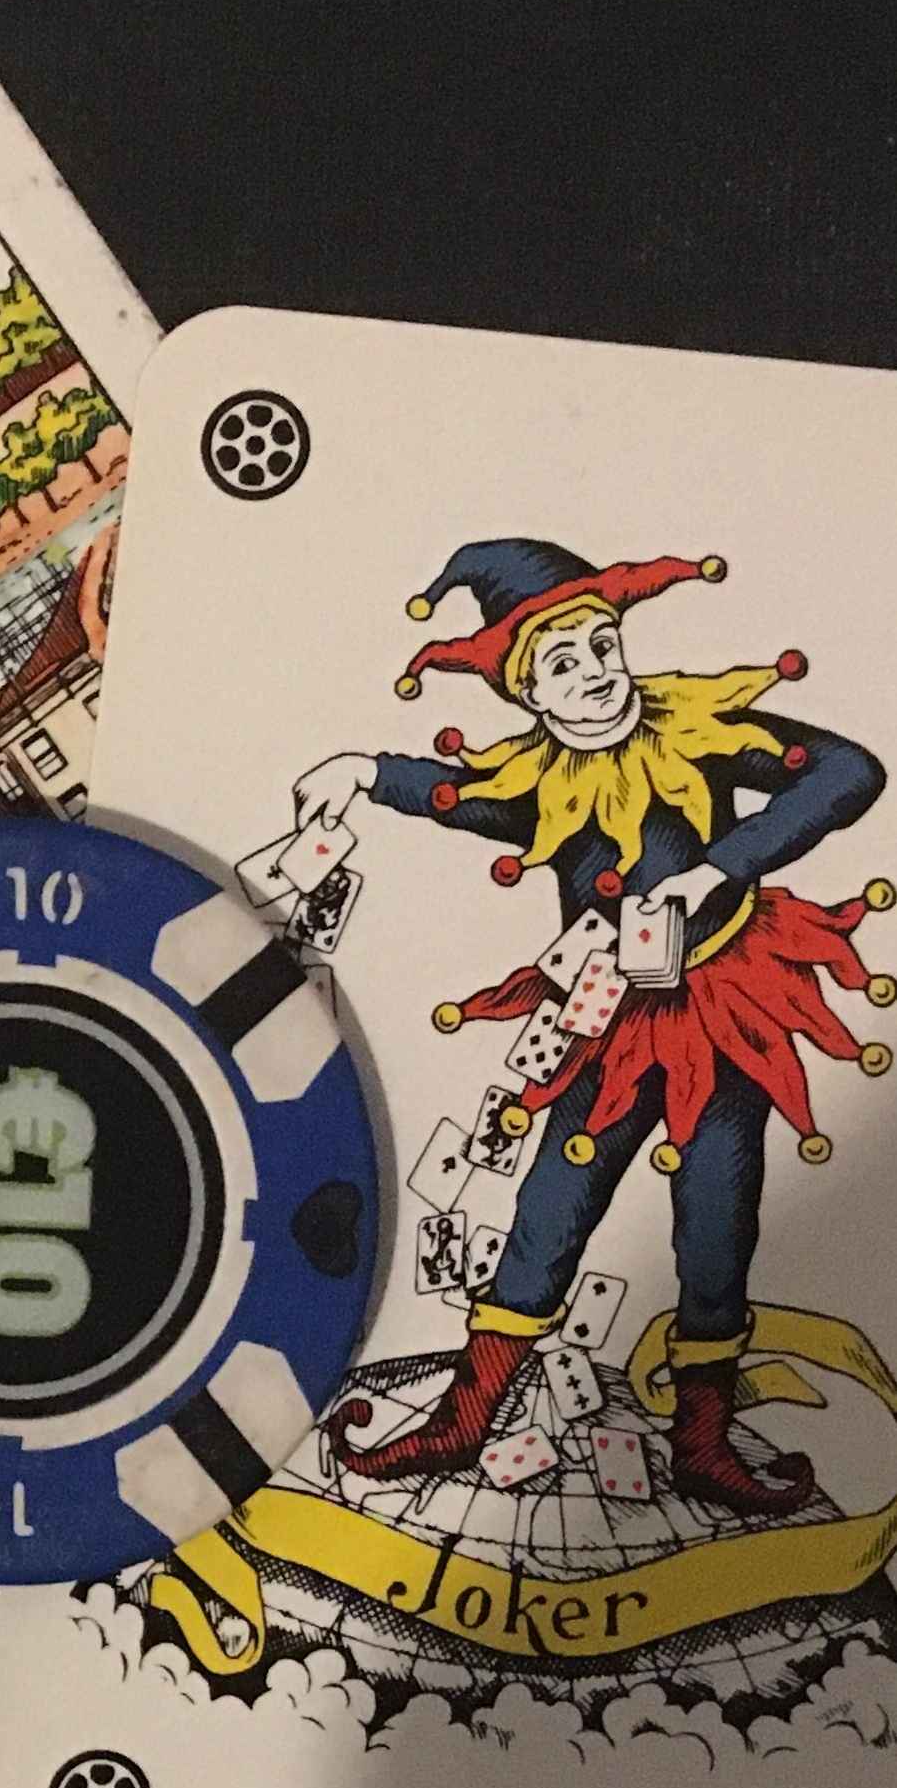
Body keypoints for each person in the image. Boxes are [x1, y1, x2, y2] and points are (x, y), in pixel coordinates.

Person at [292, 539, 884, 1508]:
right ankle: (464, 1422)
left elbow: (847, 769)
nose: (595, 675)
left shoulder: (695, 726)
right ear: (526, 693)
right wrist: (363, 769)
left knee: (717, 1219)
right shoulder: (534, 780)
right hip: (609, 1021)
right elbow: (451, 793)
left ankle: (703, 1440)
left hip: (725, 1007)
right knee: (549, 1209)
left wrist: (720, 866)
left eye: (602, 646)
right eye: (561, 663)